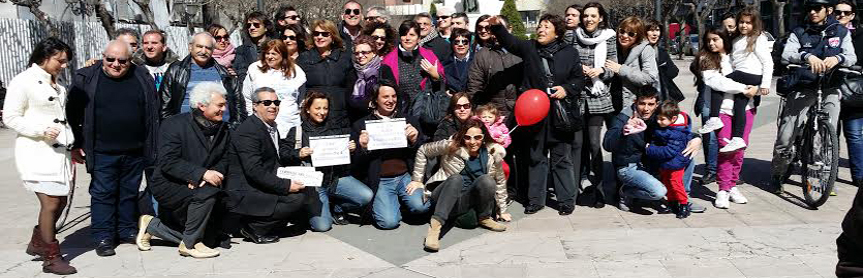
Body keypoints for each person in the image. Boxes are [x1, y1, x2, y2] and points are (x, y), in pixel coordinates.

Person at [67, 40, 160, 257]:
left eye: (122, 61)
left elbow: (152, 112)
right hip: (101, 150)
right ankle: (103, 236)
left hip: (135, 148)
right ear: (103, 57)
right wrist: (76, 142)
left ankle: (126, 229)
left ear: (130, 60)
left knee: (129, 192)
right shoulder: (87, 77)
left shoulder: (141, 75)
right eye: (110, 59)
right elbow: (72, 112)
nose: (116, 64)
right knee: (103, 193)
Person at [488, 14, 584, 215]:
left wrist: (566, 89)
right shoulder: (530, 48)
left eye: (546, 27)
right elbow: (511, 42)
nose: (540, 30)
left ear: (557, 32)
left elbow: (578, 79)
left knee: (561, 158)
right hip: (534, 115)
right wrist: (497, 27)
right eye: (539, 26)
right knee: (536, 158)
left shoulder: (570, 52)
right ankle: (535, 200)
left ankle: (566, 201)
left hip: (559, 113)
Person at [5, 37, 76, 275]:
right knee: (51, 202)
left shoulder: (56, 83)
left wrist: (72, 144)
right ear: (44, 56)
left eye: (66, 62)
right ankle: (51, 257)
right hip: (35, 152)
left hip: (58, 153)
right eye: (60, 61)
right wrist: (40, 130)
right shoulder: (23, 81)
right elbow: (11, 117)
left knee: (61, 201)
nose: (64, 66)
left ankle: (38, 243)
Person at [771, 0, 857, 193]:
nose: (812, 12)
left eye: (817, 8)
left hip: (830, 88)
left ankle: (825, 180)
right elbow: (787, 54)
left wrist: (838, 58)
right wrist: (806, 57)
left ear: (828, 10)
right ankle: (778, 172)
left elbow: (851, 57)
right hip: (803, 86)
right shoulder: (799, 31)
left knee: (828, 136)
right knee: (786, 135)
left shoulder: (841, 32)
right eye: (809, 8)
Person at [136, 82, 229, 258]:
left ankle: (153, 226)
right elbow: (168, 161)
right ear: (202, 105)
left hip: (201, 182)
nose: (224, 109)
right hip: (169, 182)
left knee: (210, 239)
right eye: (220, 105)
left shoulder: (223, 129)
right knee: (207, 195)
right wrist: (199, 175)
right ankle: (189, 244)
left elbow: (223, 159)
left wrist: (208, 176)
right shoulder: (174, 124)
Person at [225, 87, 318, 244]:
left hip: (261, 180)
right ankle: (254, 228)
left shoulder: (271, 126)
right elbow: (254, 171)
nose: (273, 106)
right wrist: (287, 185)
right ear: (255, 105)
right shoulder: (249, 131)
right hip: (245, 189)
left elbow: (274, 160)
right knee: (296, 199)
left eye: (276, 102)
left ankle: (270, 224)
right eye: (267, 102)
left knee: (306, 189)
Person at [411, 119, 509, 252]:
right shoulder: (452, 146)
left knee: (487, 180)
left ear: (484, 137)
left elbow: (500, 181)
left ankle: (484, 218)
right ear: (463, 137)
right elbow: (423, 150)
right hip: (444, 195)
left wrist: (502, 210)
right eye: (468, 137)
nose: (472, 142)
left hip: (465, 201)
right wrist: (417, 179)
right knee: (456, 179)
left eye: (477, 137)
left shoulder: (492, 153)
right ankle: (434, 230)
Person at [603, 86, 702, 212]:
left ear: (657, 104)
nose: (646, 108)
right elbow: (607, 144)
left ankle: (681, 197)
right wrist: (624, 130)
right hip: (630, 166)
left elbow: (678, 131)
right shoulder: (624, 118)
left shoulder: (658, 115)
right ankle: (626, 192)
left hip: (651, 160)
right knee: (658, 192)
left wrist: (696, 138)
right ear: (635, 102)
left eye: (650, 104)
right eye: (642, 103)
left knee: (686, 155)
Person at [284, 92, 372, 231]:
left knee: (366, 196)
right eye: (317, 108)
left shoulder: (336, 129)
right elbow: (283, 154)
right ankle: (309, 210)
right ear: (307, 108)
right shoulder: (297, 131)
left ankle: (337, 206)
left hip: (335, 179)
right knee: (323, 226)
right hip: (315, 186)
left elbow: (348, 157)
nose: (322, 112)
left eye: (325, 108)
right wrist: (298, 153)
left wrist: (352, 149)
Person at [351, 82, 430, 229]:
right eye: (385, 96)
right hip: (381, 180)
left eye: (394, 96)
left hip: (405, 177)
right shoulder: (361, 125)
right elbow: (356, 166)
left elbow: (422, 153)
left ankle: (402, 201)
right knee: (388, 223)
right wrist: (362, 148)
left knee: (421, 207)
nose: (391, 100)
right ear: (375, 100)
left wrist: (414, 141)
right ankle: (392, 203)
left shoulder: (409, 121)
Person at [696, 28, 759, 209]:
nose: (711, 43)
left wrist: (756, 86)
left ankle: (731, 186)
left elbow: (756, 70)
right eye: (708, 40)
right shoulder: (706, 58)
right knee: (725, 149)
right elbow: (715, 82)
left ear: (725, 39)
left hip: (746, 109)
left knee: (739, 149)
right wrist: (744, 88)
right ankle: (723, 190)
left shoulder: (739, 55)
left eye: (715, 39)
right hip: (722, 111)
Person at [698, 7, 772, 153]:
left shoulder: (758, 39)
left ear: (755, 24)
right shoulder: (738, 39)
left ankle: (714, 118)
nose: (744, 25)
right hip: (744, 75)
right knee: (739, 105)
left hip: (749, 74)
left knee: (719, 86)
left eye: (748, 23)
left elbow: (768, 62)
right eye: (741, 22)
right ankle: (737, 138)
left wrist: (765, 84)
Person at [570, 2, 617, 207]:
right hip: (576, 96)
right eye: (586, 15)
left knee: (595, 145)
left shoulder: (609, 36)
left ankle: (599, 192)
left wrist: (601, 72)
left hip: (598, 97)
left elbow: (612, 65)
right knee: (577, 145)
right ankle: (574, 191)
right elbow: (567, 61)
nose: (589, 19)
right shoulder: (573, 35)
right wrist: (578, 68)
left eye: (593, 16)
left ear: (600, 18)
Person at [160, 32, 245, 128]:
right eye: (199, 46)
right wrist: (173, 130)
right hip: (185, 131)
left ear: (213, 50)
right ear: (190, 47)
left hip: (220, 132)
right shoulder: (176, 70)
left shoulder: (224, 73)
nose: (203, 51)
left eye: (208, 48)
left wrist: (234, 128)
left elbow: (238, 105)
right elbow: (165, 107)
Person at [380, 20, 446, 136]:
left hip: (426, 113)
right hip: (402, 113)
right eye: (404, 34)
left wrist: (435, 76)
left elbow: (441, 87)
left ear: (419, 38)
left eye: (412, 35)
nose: (407, 38)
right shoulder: (389, 60)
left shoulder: (429, 55)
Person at [241, 39, 306, 141]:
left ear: (283, 54)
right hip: (262, 124)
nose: (270, 57)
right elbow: (248, 96)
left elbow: (301, 99)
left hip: (289, 123)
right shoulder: (255, 69)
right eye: (267, 53)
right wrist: (253, 117)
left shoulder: (296, 72)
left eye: (274, 53)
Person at [296, 19, 355, 128]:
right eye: (316, 34)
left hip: (340, 117)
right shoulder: (303, 59)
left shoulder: (344, 58)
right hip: (313, 118)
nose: (320, 37)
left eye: (325, 34)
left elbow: (351, 87)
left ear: (332, 36)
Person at [644, 101, 692, 218]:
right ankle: (672, 203)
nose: (659, 121)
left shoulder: (677, 133)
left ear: (674, 118)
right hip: (666, 163)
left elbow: (669, 151)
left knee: (676, 184)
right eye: (658, 118)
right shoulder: (665, 127)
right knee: (667, 183)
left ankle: (683, 204)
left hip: (676, 163)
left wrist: (650, 149)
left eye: (662, 119)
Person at [467, 15, 522, 117]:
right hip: (492, 115)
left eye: (499, 29)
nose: (496, 34)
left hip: (518, 112)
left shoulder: (521, 52)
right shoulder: (482, 55)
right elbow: (474, 87)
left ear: (509, 30)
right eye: (494, 29)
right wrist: (482, 113)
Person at [606, 16, 659, 112]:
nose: (625, 36)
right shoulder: (611, 46)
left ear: (638, 36)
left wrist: (622, 69)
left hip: (632, 106)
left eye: (631, 34)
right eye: (622, 31)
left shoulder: (646, 50)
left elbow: (649, 78)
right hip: (609, 105)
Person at [837, 0, 863, 188]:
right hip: (829, 90)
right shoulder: (826, 33)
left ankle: (859, 177)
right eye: (838, 13)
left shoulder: (860, 35)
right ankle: (829, 174)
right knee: (828, 136)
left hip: (853, 93)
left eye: (846, 13)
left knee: (854, 135)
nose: (841, 16)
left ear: (852, 15)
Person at [646, 19, 684, 102]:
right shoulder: (638, 51)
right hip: (645, 97)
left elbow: (673, 71)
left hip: (663, 96)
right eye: (651, 30)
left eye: (657, 30)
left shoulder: (661, 52)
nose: (655, 34)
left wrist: (662, 69)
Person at [348, 36, 382, 122]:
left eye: (364, 52)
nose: (360, 56)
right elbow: (350, 100)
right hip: (359, 119)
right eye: (357, 53)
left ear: (373, 53)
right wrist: (368, 104)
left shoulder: (383, 70)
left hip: (381, 117)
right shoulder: (352, 74)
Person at [234, 11, 273, 84]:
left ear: (266, 28)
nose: (252, 28)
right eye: (249, 25)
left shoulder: (275, 47)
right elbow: (241, 72)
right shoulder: (241, 50)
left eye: (256, 25)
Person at [476, 104, 511, 179]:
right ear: (479, 117)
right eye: (484, 117)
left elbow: (507, 137)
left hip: (496, 154)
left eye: (490, 117)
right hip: (482, 153)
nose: (487, 119)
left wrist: (502, 141)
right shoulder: (478, 125)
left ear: (495, 117)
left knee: (504, 170)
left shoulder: (501, 127)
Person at [446, 28, 474, 93]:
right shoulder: (445, 63)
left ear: (469, 43)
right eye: (457, 42)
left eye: (465, 42)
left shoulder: (477, 60)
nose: (461, 45)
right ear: (452, 44)